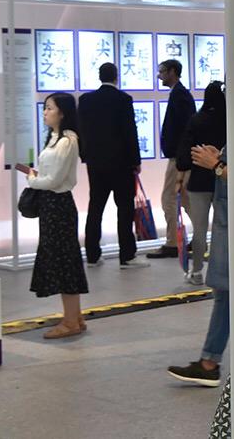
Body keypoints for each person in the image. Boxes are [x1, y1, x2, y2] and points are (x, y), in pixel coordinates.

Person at [25, 92, 89, 339]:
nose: (45, 112)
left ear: (62, 112)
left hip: (59, 206)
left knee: (64, 261)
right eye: (45, 108)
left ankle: (70, 321)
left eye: (49, 108)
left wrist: (33, 180)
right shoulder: (54, 138)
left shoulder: (67, 140)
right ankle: (75, 317)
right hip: (51, 205)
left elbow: (54, 180)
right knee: (63, 259)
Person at [168, 144, 229, 386]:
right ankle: (209, 362)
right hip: (230, 225)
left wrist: (217, 166)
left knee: (227, 294)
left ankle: (210, 363)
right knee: (226, 295)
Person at [76, 63, 148, 269]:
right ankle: (127, 255)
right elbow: (130, 132)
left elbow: (81, 129)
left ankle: (92, 255)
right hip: (121, 163)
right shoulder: (123, 99)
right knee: (124, 209)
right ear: (116, 77)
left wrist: (85, 155)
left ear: (99, 77)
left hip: (95, 163)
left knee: (95, 207)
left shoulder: (86, 100)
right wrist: (136, 161)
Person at [175, 81, 227, 284]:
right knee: (224, 228)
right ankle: (224, 269)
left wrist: (181, 177)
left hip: (198, 183)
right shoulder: (230, 120)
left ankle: (196, 272)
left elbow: (183, 158)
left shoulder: (196, 120)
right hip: (224, 180)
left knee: (199, 229)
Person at [148, 59, 196, 259]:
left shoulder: (180, 95)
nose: (159, 75)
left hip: (179, 158)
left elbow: (185, 129)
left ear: (172, 71)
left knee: (169, 198)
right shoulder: (179, 94)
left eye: (162, 71)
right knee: (185, 199)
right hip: (181, 157)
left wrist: (182, 159)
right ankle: (197, 237)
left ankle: (172, 243)